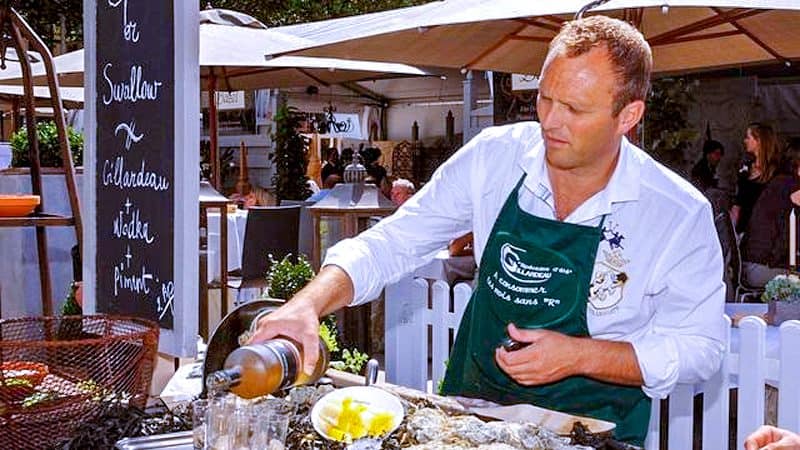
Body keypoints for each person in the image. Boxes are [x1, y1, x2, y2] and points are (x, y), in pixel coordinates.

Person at [249, 16, 725, 446]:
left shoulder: (676, 214)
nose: (550, 121)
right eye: (545, 98)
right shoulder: (495, 158)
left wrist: (582, 356)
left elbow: (701, 349)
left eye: (575, 110)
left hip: (594, 432)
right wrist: (306, 304)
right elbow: (394, 241)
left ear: (628, 116)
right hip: (470, 425)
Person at [741, 139, 800, 287]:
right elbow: (789, 235)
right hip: (765, 267)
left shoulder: (780, 183)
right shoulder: (793, 187)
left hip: (754, 265)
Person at [732, 122, 782, 234]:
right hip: (744, 230)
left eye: (748, 137)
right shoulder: (746, 168)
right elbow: (738, 203)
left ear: (759, 141)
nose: (745, 141)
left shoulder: (777, 171)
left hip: (766, 231)